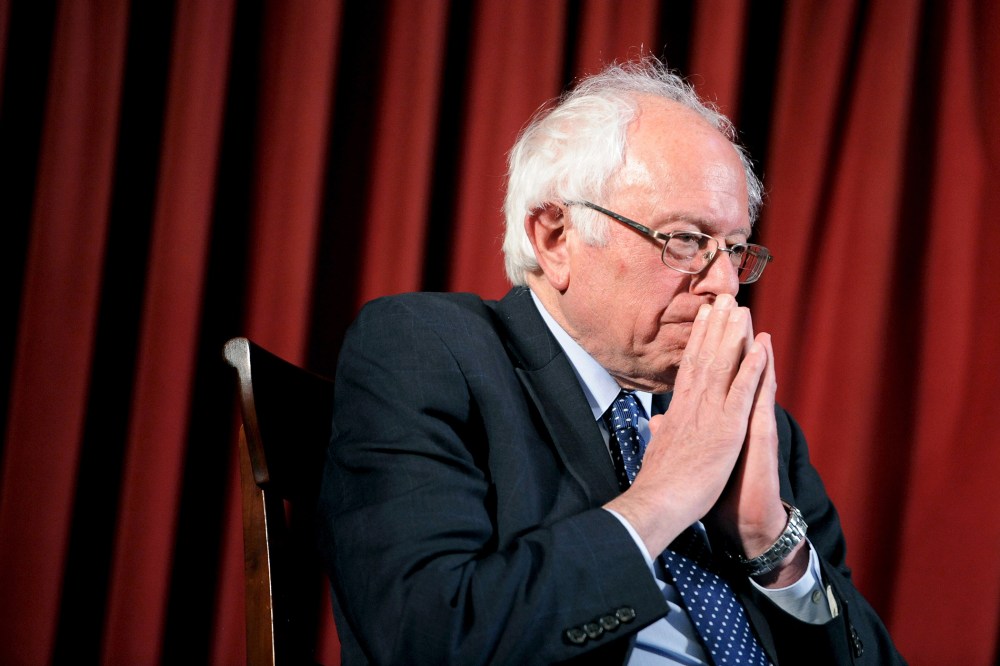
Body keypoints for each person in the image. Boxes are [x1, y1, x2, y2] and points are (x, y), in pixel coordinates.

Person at [318, 57, 905, 665]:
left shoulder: (752, 425)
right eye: (686, 240)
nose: (725, 285)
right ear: (555, 237)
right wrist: (665, 495)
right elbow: (425, 636)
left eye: (734, 250)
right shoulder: (429, 350)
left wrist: (771, 546)